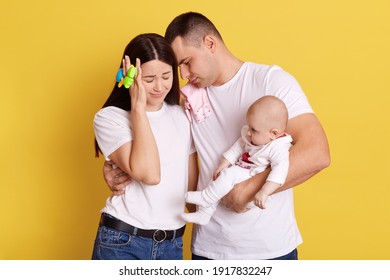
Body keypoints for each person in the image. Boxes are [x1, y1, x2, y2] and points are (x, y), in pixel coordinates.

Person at [104, 12, 330, 260]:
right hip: (208, 249)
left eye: (187, 62)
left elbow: (316, 152)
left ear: (210, 44)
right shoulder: (188, 97)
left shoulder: (269, 82)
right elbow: (163, 149)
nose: (184, 75)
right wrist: (119, 168)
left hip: (269, 249)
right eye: (178, 67)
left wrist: (246, 192)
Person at [92, 33, 198, 260]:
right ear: (131, 76)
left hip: (172, 244)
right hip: (123, 242)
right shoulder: (110, 118)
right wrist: (138, 108)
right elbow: (149, 174)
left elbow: (191, 186)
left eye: (166, 76)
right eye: (149, 79)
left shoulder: (181, 116)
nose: (159, 87)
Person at [182, 96, 292, 225]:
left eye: (254, 130)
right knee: (219, 177)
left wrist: (264, 192)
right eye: (249, 127)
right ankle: (204, 214)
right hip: (242, 170)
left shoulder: (278, 148)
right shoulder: (254, 136)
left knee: (229, 174)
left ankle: (206, 197)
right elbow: (237, 148)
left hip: (252, 180)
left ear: (273, 133)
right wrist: (224, 164)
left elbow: (279, 172)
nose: (249, 133)